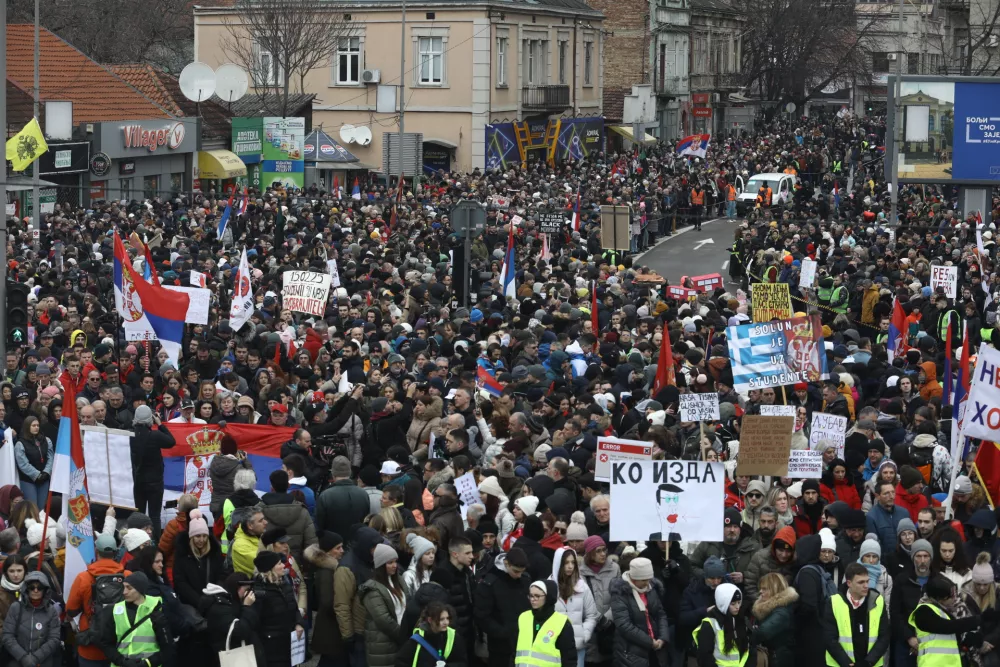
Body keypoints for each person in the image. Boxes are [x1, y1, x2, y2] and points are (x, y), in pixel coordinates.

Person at [66, 533, 130, 667]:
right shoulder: (127, 576)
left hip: (91, 645)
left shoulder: (83, 578)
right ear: (115, 552)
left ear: (96, 551)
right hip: (120, 644)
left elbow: (71, 610)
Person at [96, 572, 175, 667]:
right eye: (124, 587)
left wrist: (147, 663)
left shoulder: (157, 610)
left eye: (129, 588)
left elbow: (168, 648)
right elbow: (106, 644)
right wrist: (123, 662)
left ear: (140, 590)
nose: (124, 592)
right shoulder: (114, 611)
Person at [241, 550, 305, 667]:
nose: (283, 566)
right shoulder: (259, 591)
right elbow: (253, 623)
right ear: (270, 568)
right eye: (279, 564)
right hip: (271, 649)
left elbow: (294, 609)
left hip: (289, 644)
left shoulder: (285, 584)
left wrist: (298, 623)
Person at [824, 562, 890, 667]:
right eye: (861, 582)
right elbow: (829, 638)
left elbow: (884, 636)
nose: (866, 586)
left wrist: (868, 662)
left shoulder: (877, 600)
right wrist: (847, 663)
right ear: (849, 583)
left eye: (867, 581)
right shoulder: (834, 602)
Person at [475, 547, 531, 667]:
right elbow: (482, 616)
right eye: (516, 571)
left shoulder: (525, 580)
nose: (519, 575)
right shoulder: (489, 583)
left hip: (524, 642)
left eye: (522, 571)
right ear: (506, 563)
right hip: (500, 646)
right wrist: (503, 632)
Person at [907, 575, 980, 666]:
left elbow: (957, 636)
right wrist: (977, 620)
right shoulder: (923, 612)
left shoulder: (946, 612)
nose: (955, 599)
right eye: (951, 597)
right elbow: (947, 626)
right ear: (940, 599)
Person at [610, 557, 668, 667]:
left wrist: (663, 637)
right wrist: (650, 642)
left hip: (655, 649)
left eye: (649, 579)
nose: (647, 583)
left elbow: (660, 614)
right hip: (631, 652)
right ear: (633, 578)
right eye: (643, 580)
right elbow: (624, 625)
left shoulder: (652, 589)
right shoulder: (620, 593)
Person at [129, 405, 177, 540]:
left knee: (139, 513)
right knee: (154, 515)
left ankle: (136, 541)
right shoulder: (155, 435)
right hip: (155, 481)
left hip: (137, 480)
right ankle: (155, 542)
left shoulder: (130, 435)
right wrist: (160, 424)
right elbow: (171, 441)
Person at [360, 544, 408, 667]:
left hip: (399, 641)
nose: (395, 565)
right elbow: (383, 620)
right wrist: (404, 635)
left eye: (395, 561)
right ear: (381, 565)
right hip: (383, 645)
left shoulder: (399, 580)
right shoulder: (372, 589)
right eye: (390, 562)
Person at [1, 571, 62, 667]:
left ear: (45, 590)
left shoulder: (51, 611)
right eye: (32, 587)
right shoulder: (16, 607)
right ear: (26, 589)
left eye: (40, 587)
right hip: (18, 661)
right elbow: (8, 636)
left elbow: (54, 639)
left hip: (43, 662)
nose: (36, 590)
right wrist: (24, 658)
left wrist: (35, 658)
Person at [550, 547, 598, 667]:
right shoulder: (549, 587)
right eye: (566, 563)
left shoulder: (582, 587)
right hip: (553, 646)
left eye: (573, 562)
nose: (570, 566)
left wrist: (584, 634)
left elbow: (592, 615)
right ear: (558, 564)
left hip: (577, 646)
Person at [307, 531, 346, 667]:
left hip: (330, 627)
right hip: (330, 628)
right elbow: (327, 601)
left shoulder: (330, 568)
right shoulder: (326, 572)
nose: (342, 551)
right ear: (328, 551)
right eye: (338, 548)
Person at [693, 582, 754, 667]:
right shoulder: (710, 624)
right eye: (733, 604)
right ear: (723, 603)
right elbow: (704, 657)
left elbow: (750, 649)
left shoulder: (742, 620)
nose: (737, 607)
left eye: (739, 602)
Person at [518, 580, 577, 667]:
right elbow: (514, 652)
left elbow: (569, 659)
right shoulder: (523, 617)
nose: (533, 599)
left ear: (549, 597)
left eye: (537, 596)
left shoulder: (562, 622)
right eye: (530, 595)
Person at [395, 600, 467, 667]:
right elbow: (401, 662)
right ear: (430, 620)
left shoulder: (453, 637)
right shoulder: (418, 638)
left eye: (447, 618)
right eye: (441, 619)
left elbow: (462, 662)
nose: (446, 622)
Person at [316, 455, 371, 538]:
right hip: (358, 541)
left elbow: (320, 524)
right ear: (350, 473)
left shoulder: (325, 495)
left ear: (333, 473)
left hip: (333, 545)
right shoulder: (363, 494)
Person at [752, 572, 798, 667]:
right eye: (760, 588)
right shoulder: (771, 608)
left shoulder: (782, 612)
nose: (760, 591)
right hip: (774, 656)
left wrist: (746, 638)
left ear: (774, 589)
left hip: (779, 659)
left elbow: (763, 632)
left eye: (764, 589)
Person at [13, 417, 53, 508]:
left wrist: (46, 472)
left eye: (38, 425)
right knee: (32, 507)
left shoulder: (46, 440)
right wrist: (37, 475)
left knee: (42, 508)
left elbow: (50, 457)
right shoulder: (20, 443)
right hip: (28, 480)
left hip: (44, 478)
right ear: (27, 427)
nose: (36, 427)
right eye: (33, 425)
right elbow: (23, 463)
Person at [230, 507, 268, 577]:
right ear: (250, 525)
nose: (266, 522)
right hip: (251, 586)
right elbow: (266, 565)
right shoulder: (240, 545)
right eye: (260, 521)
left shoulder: (259, 536)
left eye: (264, 519)